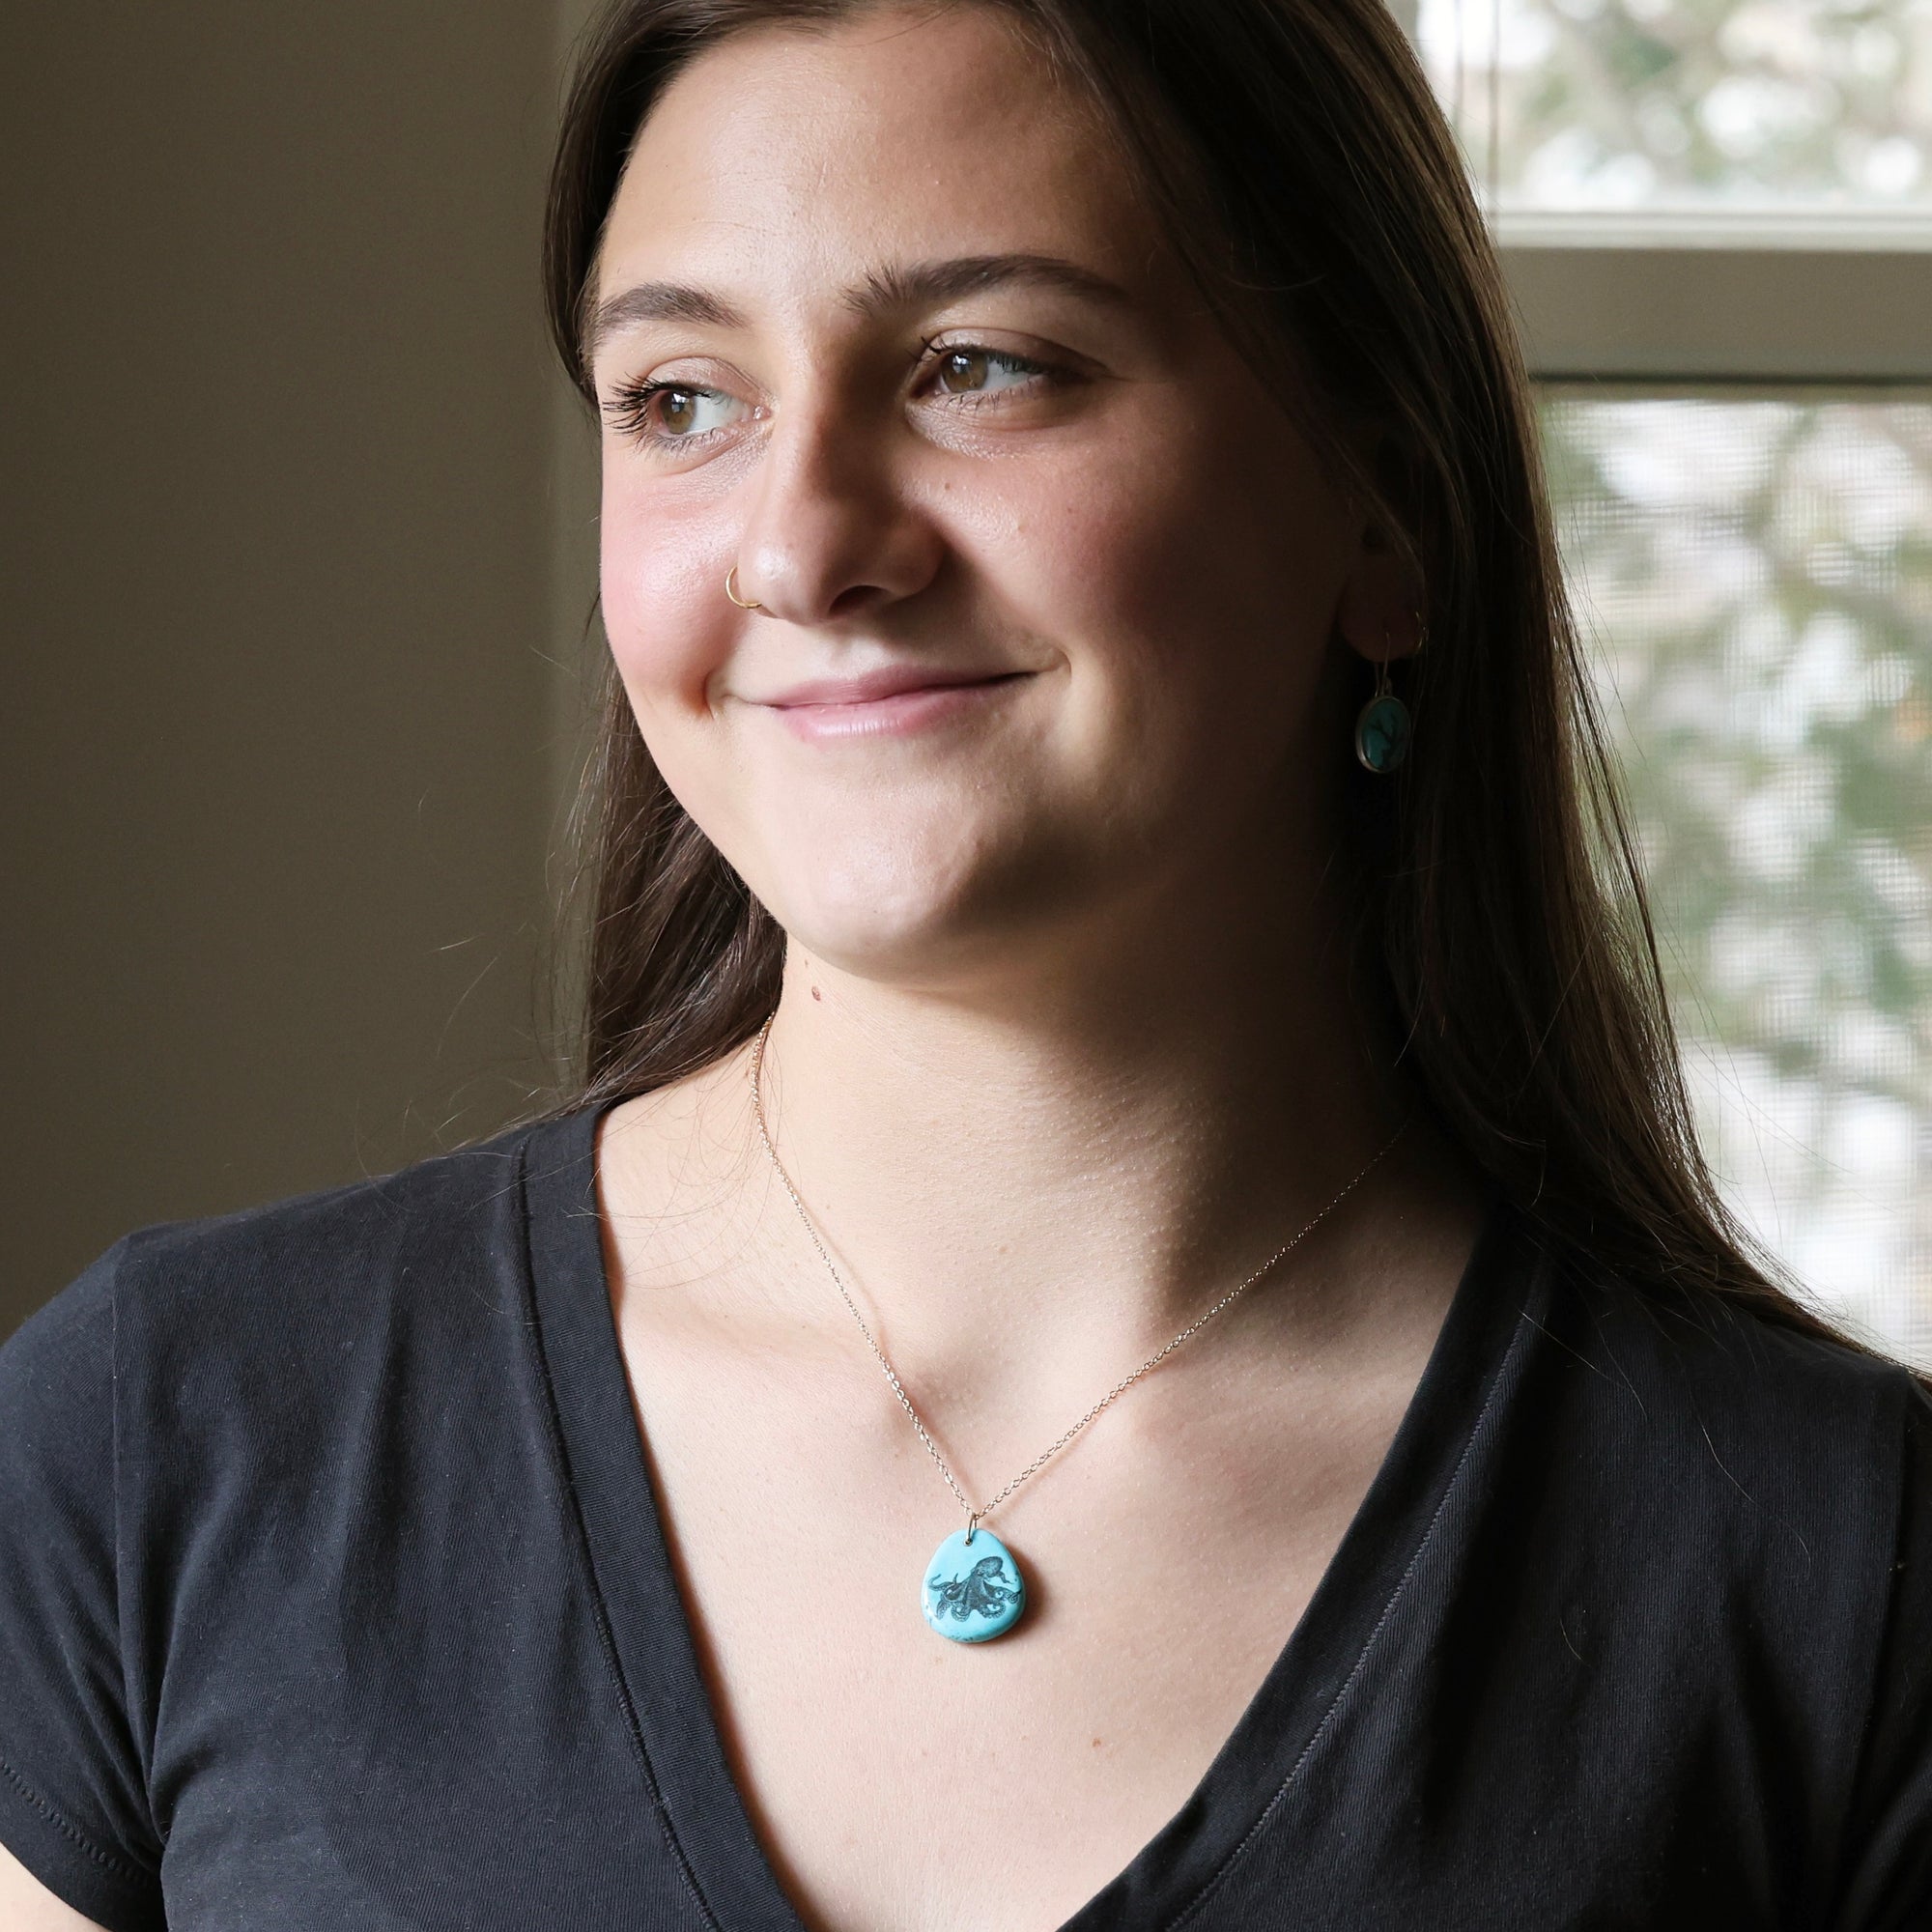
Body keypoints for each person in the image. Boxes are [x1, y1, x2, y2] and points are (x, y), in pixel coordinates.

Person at [4, 0, 1929, 1925]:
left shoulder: (1847, 1581)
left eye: (981, 366)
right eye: (682, 397)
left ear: (1387, 500)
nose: (803, 543)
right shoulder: (155, 1448)